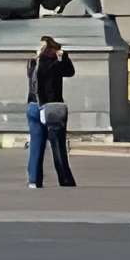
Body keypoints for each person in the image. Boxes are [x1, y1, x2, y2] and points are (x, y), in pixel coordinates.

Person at [25, 33, 77, 190]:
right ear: (53, 49)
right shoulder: (54, 64)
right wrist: (64, 57)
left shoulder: (33, 63)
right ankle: (65, 179)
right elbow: (69, 71)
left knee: (36, 145)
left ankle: (34, 179)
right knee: (58, 146)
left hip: (33, 106)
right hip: (52, 107)